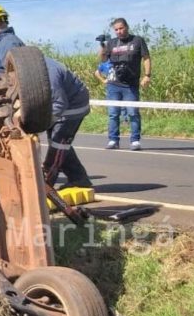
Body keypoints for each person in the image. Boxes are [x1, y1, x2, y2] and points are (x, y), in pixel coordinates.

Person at [99, 18, 151, 151]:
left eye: (121, 28)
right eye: (116, 30)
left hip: (131, 84)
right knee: (113, 113)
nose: (119, 31)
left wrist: (147, 75)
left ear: (127, 27)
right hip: (113, 84)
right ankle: (113, 140)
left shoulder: (137, 41)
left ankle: (135, 140)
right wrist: (102, 46)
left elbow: (146, 58)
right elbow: (103, 60)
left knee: (133, 112)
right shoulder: (111, 43)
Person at [42, 57, 92, 190]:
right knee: (62, 145)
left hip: (73, 107)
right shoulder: (32, 68)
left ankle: (46, 184)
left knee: (58, 145)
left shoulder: (49, 72)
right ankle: (79, 179)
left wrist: (41, 124)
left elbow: (59, 103)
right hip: (58, 105)